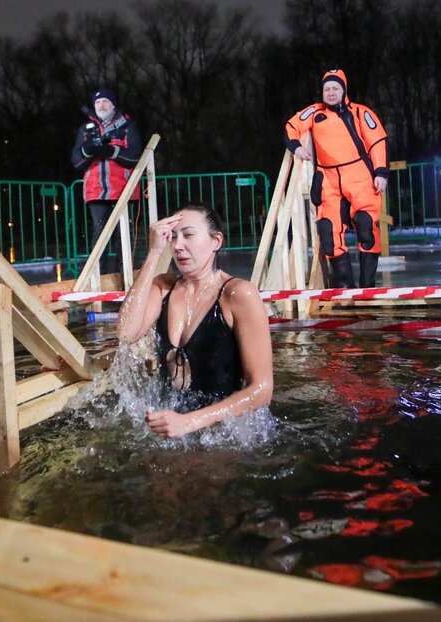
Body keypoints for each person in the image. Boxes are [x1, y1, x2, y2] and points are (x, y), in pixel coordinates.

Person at [116, 203, 273, 438]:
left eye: (188, 235)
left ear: (215, 242)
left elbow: (262, 390)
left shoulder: (238, 295)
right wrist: (154, 252)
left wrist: (190, 422)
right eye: (174, 237)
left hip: (223, 433)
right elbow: (126, 333)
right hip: (172, 424)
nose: (178, 246)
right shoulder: (163, 288)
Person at [285, 69, 388, 289]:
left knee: (366, 226)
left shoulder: (361, 112)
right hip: (328, 179)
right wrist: (296, 147)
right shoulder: (314, 112)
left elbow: (376, 141)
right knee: (328, 232)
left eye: (335, 88)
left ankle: (368, 286)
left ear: (344, 90)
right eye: (327, 89)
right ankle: (344, 289)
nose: (331, 93)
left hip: (360, 176)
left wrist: (380, 172)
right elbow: (292, 126)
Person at [71, 89, 143, 275]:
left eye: (105, 101)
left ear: (113, 105)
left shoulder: (127, 126)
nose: (101, 105)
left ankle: (126, 277)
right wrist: (89, 150)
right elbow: (77, 161)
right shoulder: (86, 129)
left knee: (124, 236)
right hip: (97, 192)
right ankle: (99, 278)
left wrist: (110, 151)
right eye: (98, 102)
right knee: (99, 235)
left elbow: (135, 157)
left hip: (123, 191)